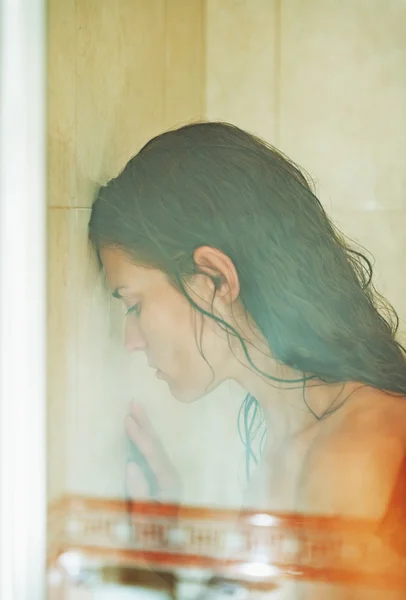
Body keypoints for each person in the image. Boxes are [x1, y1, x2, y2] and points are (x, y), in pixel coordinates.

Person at [88, 121, 406, 598]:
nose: (131, 339)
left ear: (215, 278)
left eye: (134, 305)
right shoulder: (289, 441)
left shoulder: (350, 457)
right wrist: (168, 546)